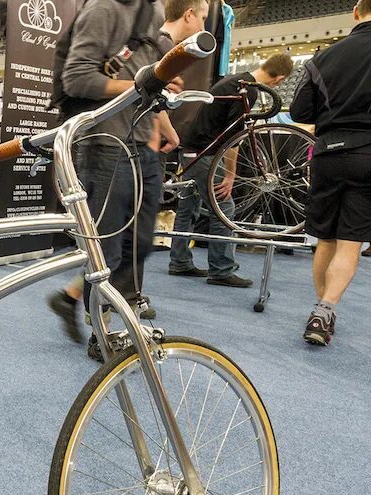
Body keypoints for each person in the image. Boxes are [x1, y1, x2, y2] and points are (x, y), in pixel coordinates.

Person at [47, 0, 207, 360]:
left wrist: (161, 102)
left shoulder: (149, 13)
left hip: (140, 144)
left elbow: (147, 78)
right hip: (103, 142)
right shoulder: (104, 9)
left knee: (141, 245)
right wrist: (139, 86)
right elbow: (77, 78)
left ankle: (72, 298)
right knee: (109, 250)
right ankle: (102, 334)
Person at [168, 53, 294, 287]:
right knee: (224, 207)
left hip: (191, 150)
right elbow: (232, 141)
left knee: (188, 207)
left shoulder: (238, 81)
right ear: (280, 78)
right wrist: (230, 175)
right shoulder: (247, 90)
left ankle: (179, 261)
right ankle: (221, 269)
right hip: (204, 154)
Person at [290, 0, 371, 346]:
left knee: (325, 238)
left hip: (327, 154)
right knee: (350, 242)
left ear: (356, 11)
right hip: (368, 153)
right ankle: (326, 310)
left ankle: (321, 312)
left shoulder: (321, 57)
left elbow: (299, 110)